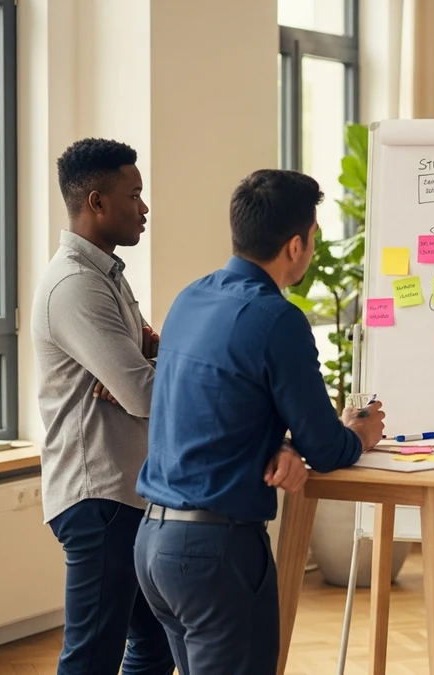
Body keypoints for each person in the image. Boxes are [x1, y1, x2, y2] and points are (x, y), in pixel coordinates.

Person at [132, 169, 386, 675]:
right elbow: (328, 447)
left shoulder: (189, 299)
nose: (313, 248)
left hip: (154, 545)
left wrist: (283, 443)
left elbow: (219, 410)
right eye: (313, 237)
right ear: (295, 245)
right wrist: (358, 432)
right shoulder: (279, 319)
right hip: (216, 554)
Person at [30, 138, 174, 675]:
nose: (144, 208)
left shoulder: (105, 274)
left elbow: (147, 364)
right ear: (95, 202)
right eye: (133, 195)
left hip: (124, 494)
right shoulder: (75, 285)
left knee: (155, 644)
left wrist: (151, 365)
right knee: (92, 658)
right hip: (98, 497)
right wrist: (145, 373)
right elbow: (142, 394)